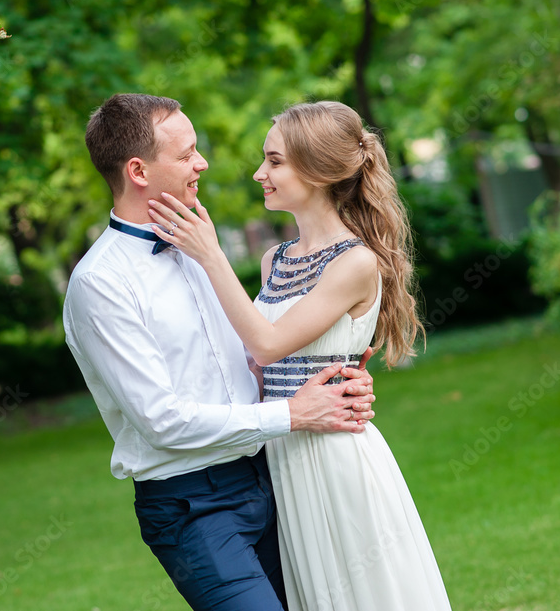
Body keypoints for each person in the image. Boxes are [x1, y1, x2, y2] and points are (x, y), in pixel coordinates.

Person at [63, 93, 379, 611]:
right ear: (139, 170)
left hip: (272, 478)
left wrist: (333, 378)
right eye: (187, 154)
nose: (202, 163)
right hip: (193, 506)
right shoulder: (101, 284)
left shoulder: (200, 249)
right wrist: (294, 413)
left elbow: (251, 363)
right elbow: (161, 422)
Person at [147, 101, 453, 610]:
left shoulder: (355, 262)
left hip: (334, 454)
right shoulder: (276, 259)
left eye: (275, 161)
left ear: (316, 170)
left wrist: (211, 254)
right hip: (283, 450)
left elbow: (266, 343)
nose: (258, 173)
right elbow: (260, 357)